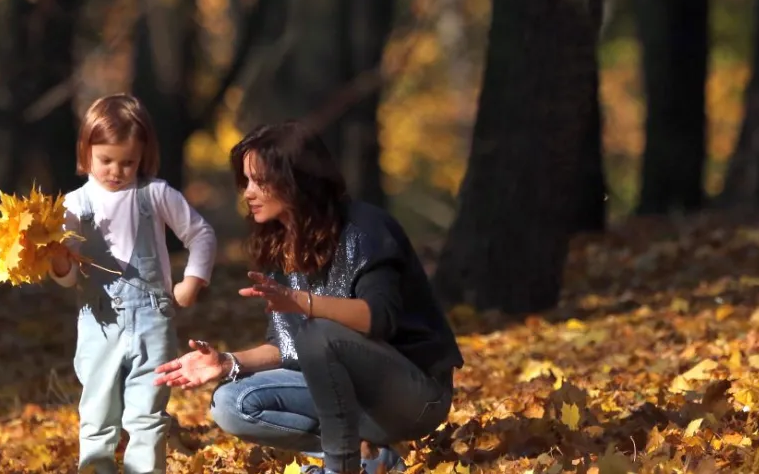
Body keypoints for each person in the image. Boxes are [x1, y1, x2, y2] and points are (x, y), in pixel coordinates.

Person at [154, 121, 464, 474]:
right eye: (246, 182)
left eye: (260, 181)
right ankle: (370, 460)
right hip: (346, 397)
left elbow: (380, 317)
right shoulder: (278, 241)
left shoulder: (365, 229)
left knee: (320, 332)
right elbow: (285, 346)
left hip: (412, 395)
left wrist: (301, 302)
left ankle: (339, 468)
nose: (248, 193)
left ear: (296, 180)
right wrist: (226, 362)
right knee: (230, 402)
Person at [49, 93, 218, 474]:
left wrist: (192, 281)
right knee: (97, 413)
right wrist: (59, 263)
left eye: (128, 162)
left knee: (146, 414)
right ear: (86, 152)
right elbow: (70, 277)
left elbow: (201, 234)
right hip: (98, 323)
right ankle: (97, 467)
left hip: (152, 323)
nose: (116, 170)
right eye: (106, 160)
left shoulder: (155, 195)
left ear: (144, 156)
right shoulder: (73, 207)